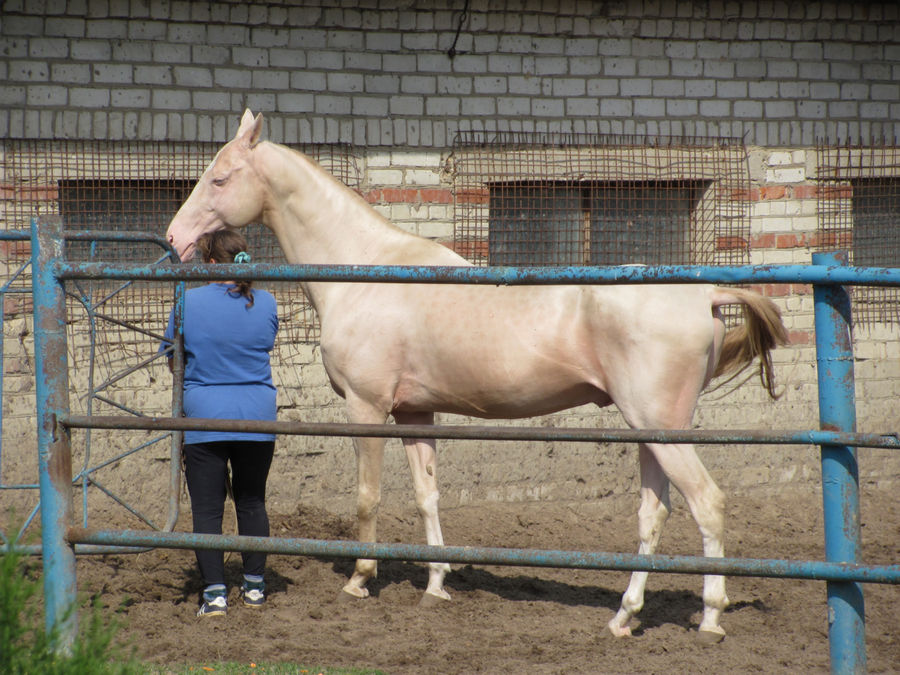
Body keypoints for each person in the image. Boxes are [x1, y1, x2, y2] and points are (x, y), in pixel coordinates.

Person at [161, 228, 279, 617]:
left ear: (211, 263)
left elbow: (172, 358)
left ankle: (214, 595)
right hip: (257, 416)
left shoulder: (187, 301)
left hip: (205, 417)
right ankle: (256, 588)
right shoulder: (266, 302)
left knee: (207, 511)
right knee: (252, 500)